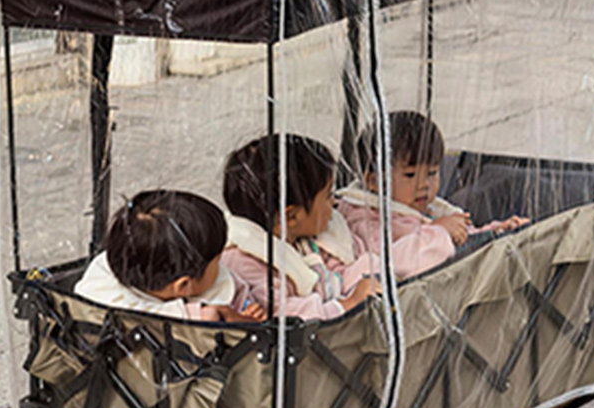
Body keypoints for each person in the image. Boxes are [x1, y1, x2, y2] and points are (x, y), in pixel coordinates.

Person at [336, 111, 527, 279]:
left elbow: (463, 239)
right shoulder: (364, 221)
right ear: (374, 181)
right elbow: (392, 265)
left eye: (432, 173)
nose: (424, 185)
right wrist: (438, 231)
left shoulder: (429, 208)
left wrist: (496, 232)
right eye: (410, 175)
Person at [221, 133, 382, 319]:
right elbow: (284, 315)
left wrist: (370, 276)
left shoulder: (305, 239)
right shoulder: (247, 260)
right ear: (291, 216)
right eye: (328, 196)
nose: (334, 202)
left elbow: (339, 269)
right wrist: (348, 303)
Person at [74, 189, 264, 322]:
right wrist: (235, 319)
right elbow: (230, 324)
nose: (222, 262)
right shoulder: (207, 319)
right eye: (217, 259)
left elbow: (242, 298)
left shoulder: (117, 265)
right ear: (183, 285)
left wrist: (249, 309)